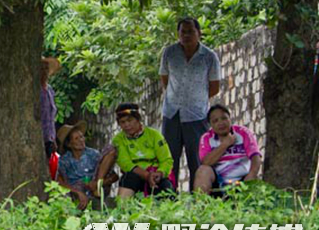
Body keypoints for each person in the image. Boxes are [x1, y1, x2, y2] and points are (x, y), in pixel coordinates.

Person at [159, 17, 221, 191]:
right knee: (169, 158)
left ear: (199, 33)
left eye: (190, 31)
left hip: (197, 115)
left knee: (197, 159)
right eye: (182, 32)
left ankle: (199, 197)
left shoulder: (209, 57)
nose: (186, 35)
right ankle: (169, 196)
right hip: (171, 113)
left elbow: (214, 87)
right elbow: (165, 79)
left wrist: (195, 99)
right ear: (178, 34)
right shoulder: (169, 53)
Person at [194, 104, 262, 194]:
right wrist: (225, 144)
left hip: (243, 180)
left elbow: (256, 158)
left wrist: (251, 176)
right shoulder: (206, 138)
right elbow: (206, 162)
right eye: (215, 121)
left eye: (224, 118)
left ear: (230, 119)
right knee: (202, 171)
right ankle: (200, 205)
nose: (221, 123)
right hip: (218, 182)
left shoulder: (243, 132)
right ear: (211, 125)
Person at [112, 103, 175, 199]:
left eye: (130, 120)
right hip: (135, 176)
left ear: (138, 119)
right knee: (128, 178)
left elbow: (166, 160)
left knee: (166, 188)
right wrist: (146, 175)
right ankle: (122, 211)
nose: (127, 125)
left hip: (155, 175)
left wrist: (159, 173)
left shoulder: (154, 135)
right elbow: (126, 164)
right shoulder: (118, 140)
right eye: (122, 122)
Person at [55, 121, 118, 210]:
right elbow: (59, 182)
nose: (81, 140)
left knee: (111, 150)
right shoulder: (64, 160)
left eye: (81, 136)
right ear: (69, 144)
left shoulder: (94, 154)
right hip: (76, 194)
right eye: (76, 138)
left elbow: (114, 176)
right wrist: (77, 192)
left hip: (95, 189)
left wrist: (97, 183)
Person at [39, 57, 60, 158]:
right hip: (38, 137)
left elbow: (51, 118)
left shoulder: (50, 90)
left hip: (49, 139)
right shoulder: (34, 90)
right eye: (41, 68)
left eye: (46, 68)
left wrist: (53, 139)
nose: (44, 71)